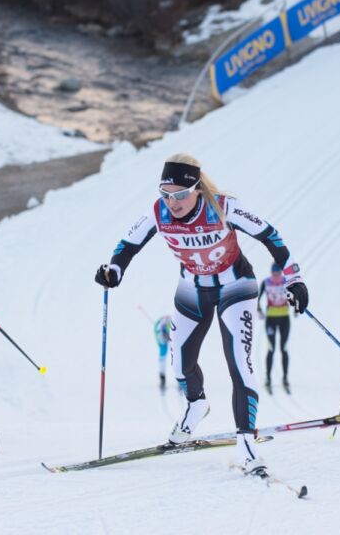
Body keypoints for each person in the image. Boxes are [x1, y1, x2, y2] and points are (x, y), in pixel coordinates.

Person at [94, 153, 309, 475]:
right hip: (192, 289)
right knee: (180, 361)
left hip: (236, 286)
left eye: (180, 194)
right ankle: (197, 405)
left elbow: (271, 236)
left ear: (196, 189)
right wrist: (113, 270)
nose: (173, 202)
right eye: (166, 194)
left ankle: (247, 445)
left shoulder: (224, 207)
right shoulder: (157, 211)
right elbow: (127, 246)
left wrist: (294, 279)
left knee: (239, 361)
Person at [257, 263, 292, 394]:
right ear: (271, 273)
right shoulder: (266, 282)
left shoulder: (286, 282)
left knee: (283, 348)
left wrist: (296, 307)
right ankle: (268, 378)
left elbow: (293, 295)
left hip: (284, 318)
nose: (276, 277)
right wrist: (259, 309)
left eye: (278, 274)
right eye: (274, 274)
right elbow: (258, 298)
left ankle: (285, 378)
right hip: (271, 319)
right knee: (271, 348)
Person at [153, 315, 172, 390]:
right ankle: (162, 376)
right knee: (163, 352)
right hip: (160, 331)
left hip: (170, 326)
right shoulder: (159, 334)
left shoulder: (174, 326)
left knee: (177, 352)